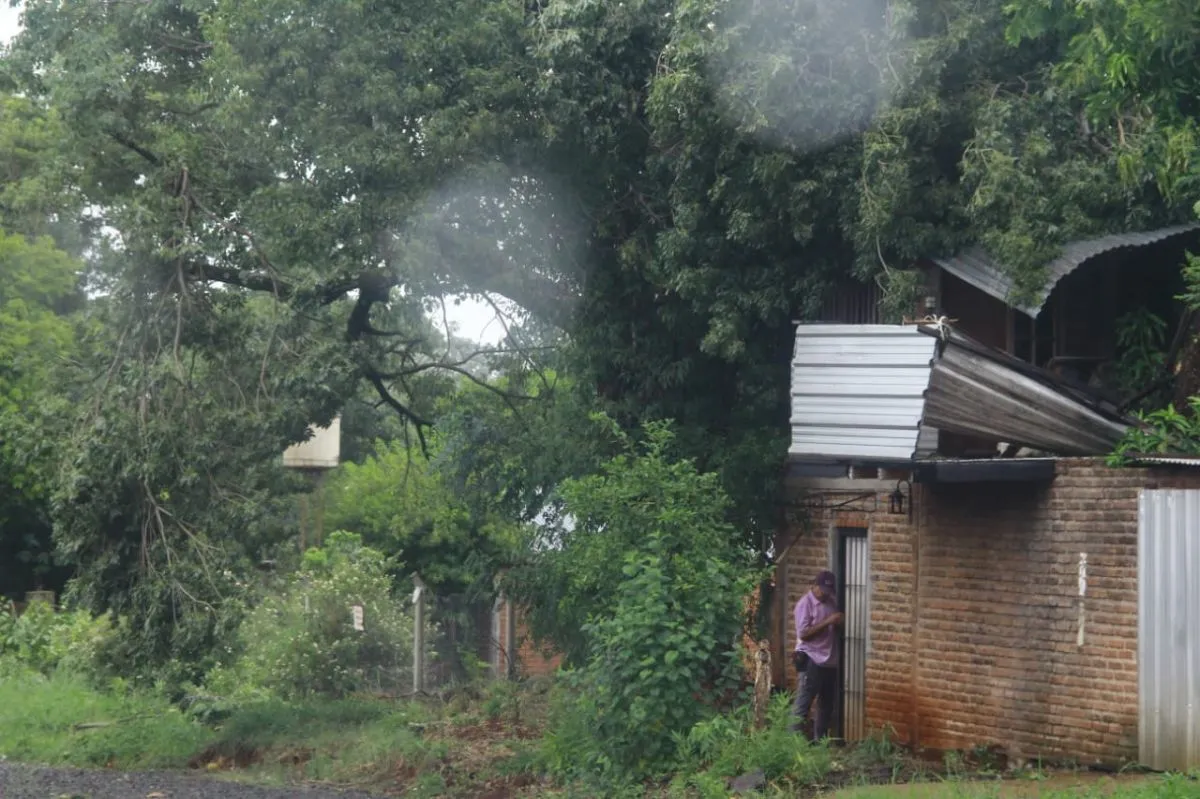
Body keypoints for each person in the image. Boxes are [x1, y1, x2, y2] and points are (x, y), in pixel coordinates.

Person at [790, 569, 843, 740]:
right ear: (814, 586)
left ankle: (819, 742)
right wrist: (827, 621)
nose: (825, 594)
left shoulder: (831, 603)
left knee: (826, 704)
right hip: (811, 658)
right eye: (822, 590)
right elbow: (803, 634)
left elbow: (833, 629)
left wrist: (837, 624)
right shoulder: (805, 604)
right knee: (803, 703)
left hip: (829, 660)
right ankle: (792, 743)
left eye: (828, 591)